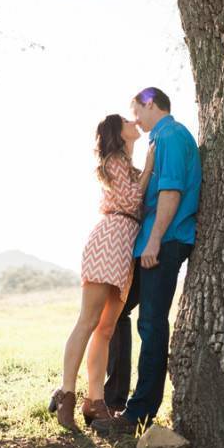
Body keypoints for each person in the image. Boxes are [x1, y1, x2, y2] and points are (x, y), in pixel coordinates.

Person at [94, 87, 201, 435]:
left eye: (135, 111)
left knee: (152, 324)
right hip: (148, 244)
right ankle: (113, 399)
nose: (135, 120)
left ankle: (139, 413)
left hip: (164, 242)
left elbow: (171, 192)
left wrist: (155, 239)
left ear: (149, 102)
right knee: (117, 314)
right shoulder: (159, 140)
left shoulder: (170, 135)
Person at [49, 113, 155, 430]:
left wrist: (146, 168)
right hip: (108, 240)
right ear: (116, 131)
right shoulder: (113, 162)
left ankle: (95, 402)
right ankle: (67, 393)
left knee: (106, 329)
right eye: (126, 120)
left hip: (125, 248)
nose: (134, 121)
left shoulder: (130, 167)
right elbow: (133, 198)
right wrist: (150, 166)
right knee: (89, 321)